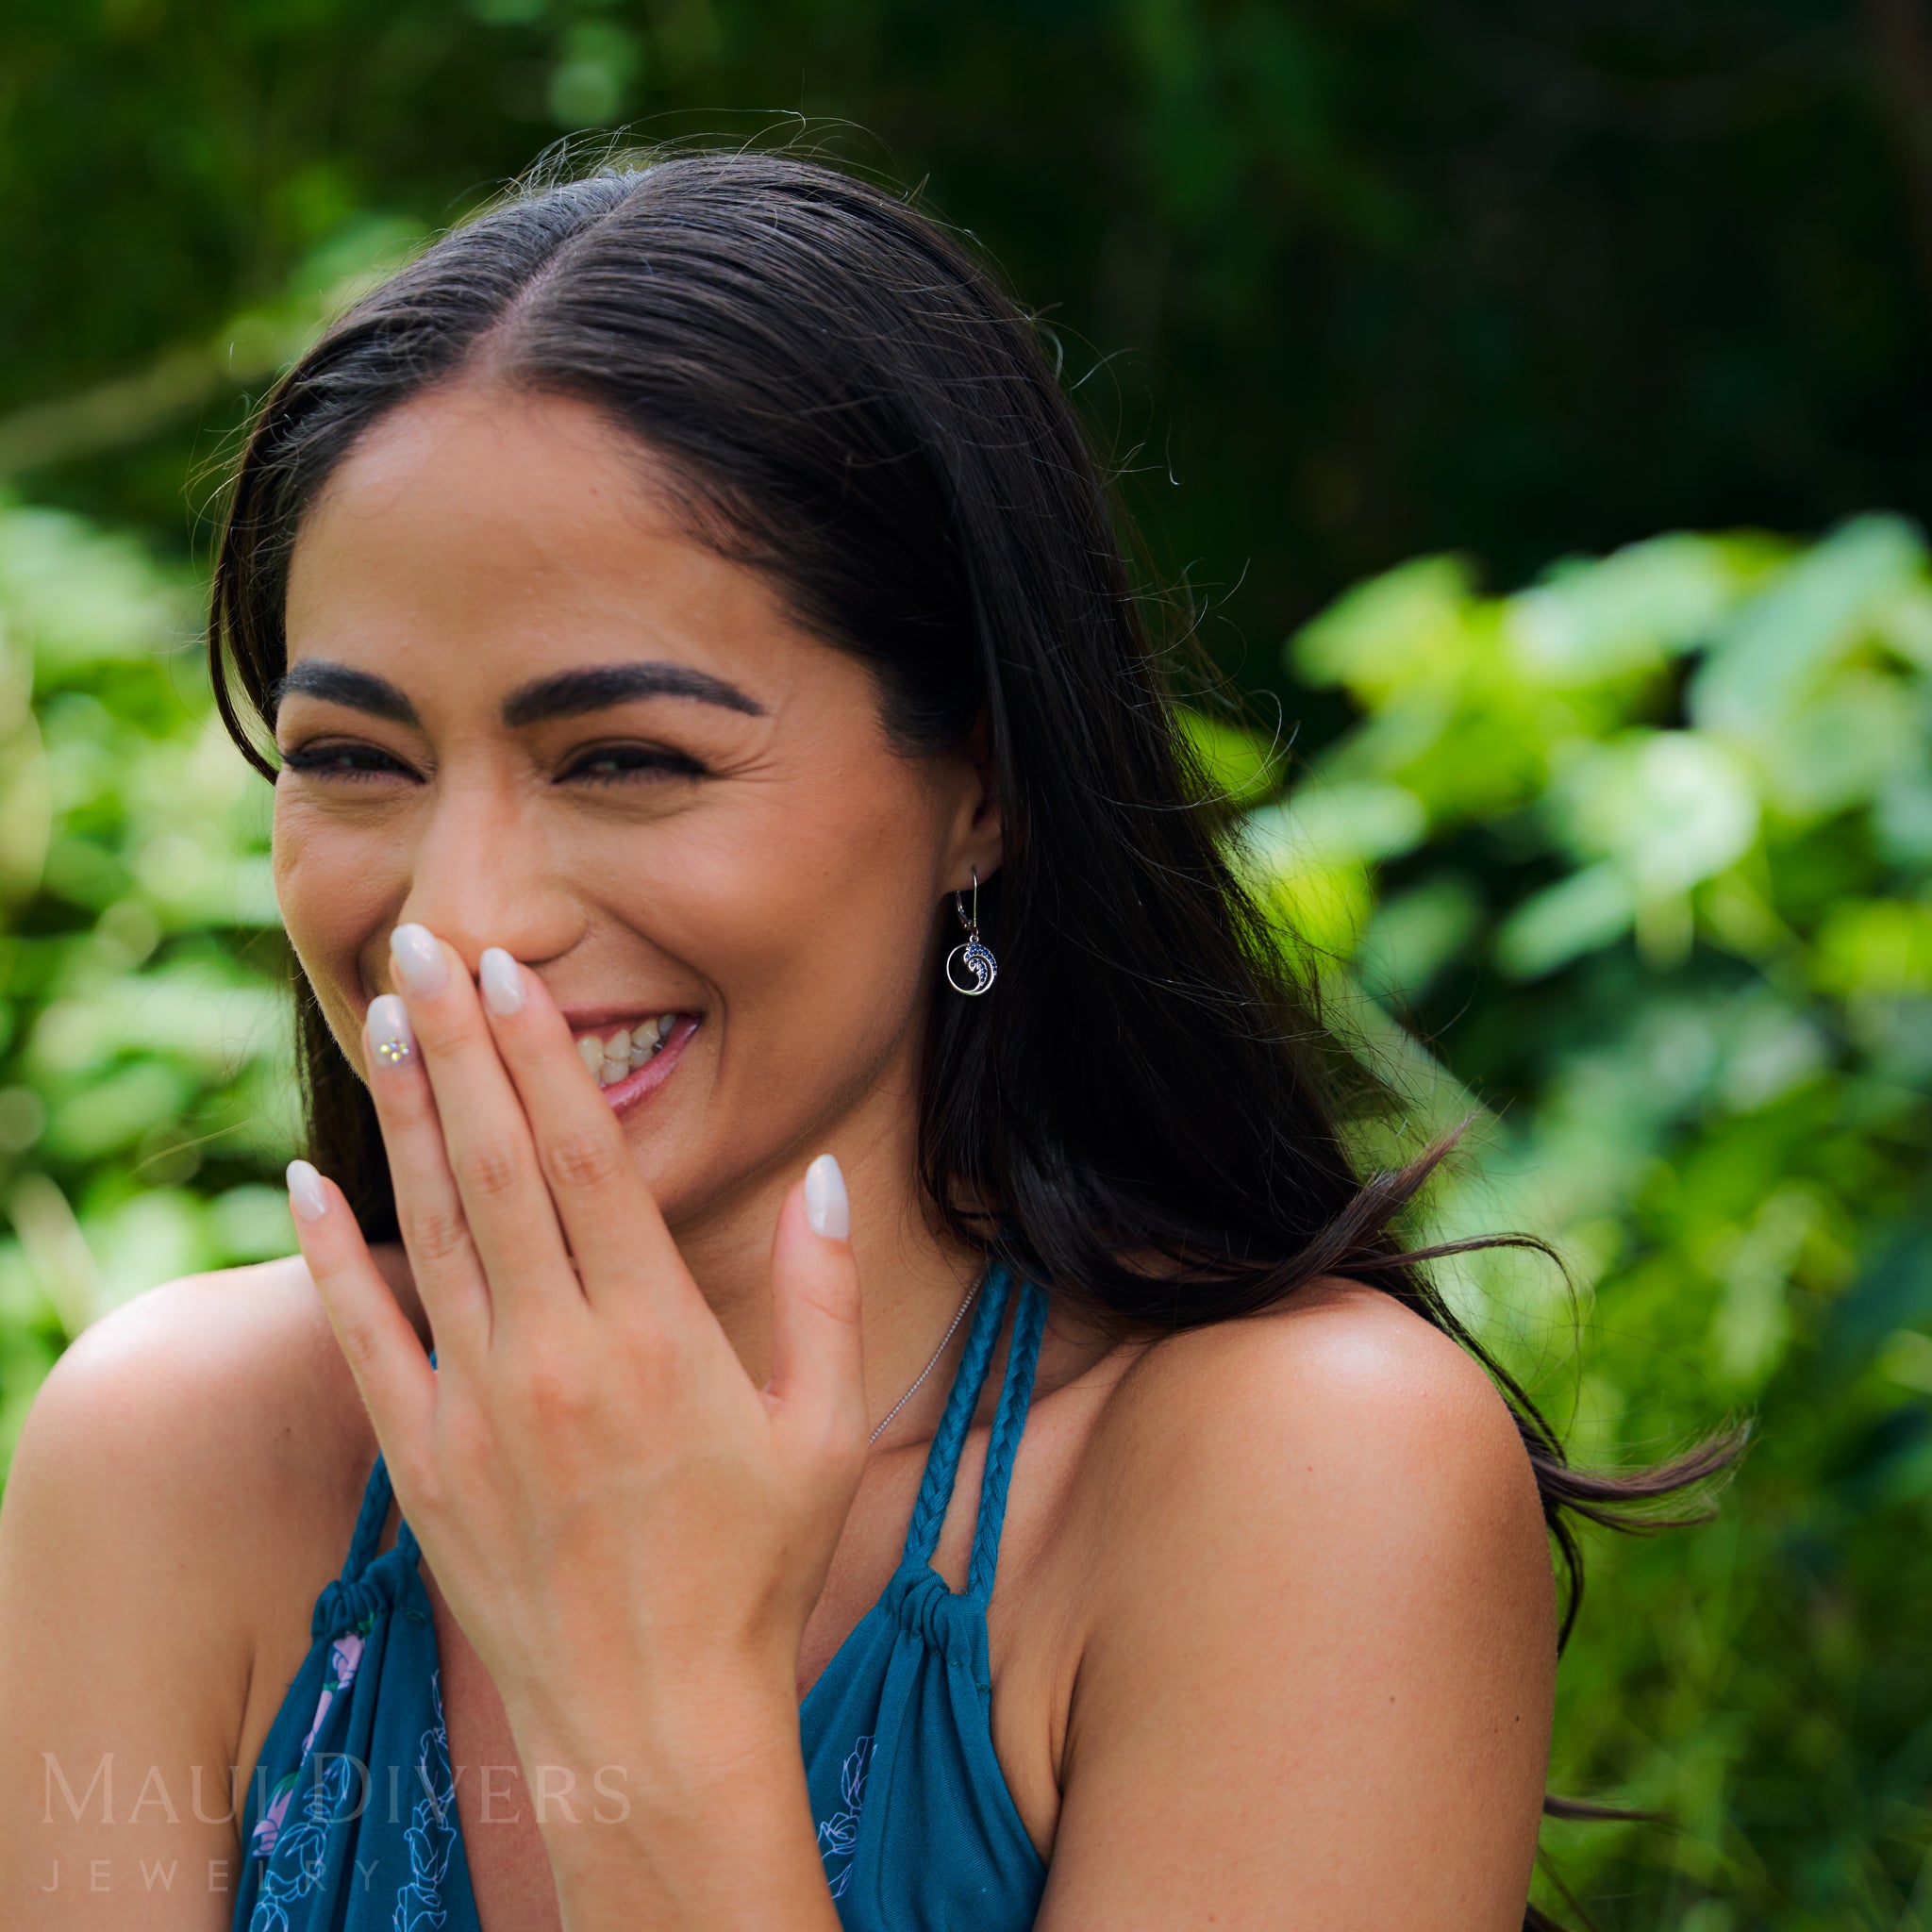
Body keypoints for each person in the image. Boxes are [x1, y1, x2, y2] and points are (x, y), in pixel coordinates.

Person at [0, 149, 1723, 1930]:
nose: (463, 920)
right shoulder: (175, 1456)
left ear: (981, 787)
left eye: (627, 759)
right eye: (355, 759)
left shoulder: (1296, 1481)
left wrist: (645, 1693)